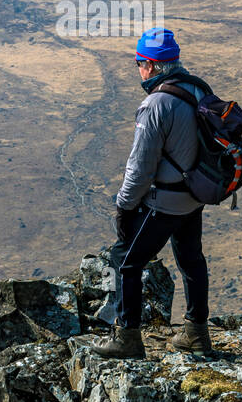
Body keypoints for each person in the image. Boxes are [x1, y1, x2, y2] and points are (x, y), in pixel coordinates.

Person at [91, 26, 214, 360]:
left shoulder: (155, 105)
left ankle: (127, 337)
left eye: (138, 63)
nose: (138, 70)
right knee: (191, 259)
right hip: (193, 198)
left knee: (125, 261)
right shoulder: (197, 89)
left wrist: (124, 207)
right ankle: (196, 334)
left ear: (150, 65)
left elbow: (140, 168)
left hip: (165, 202)